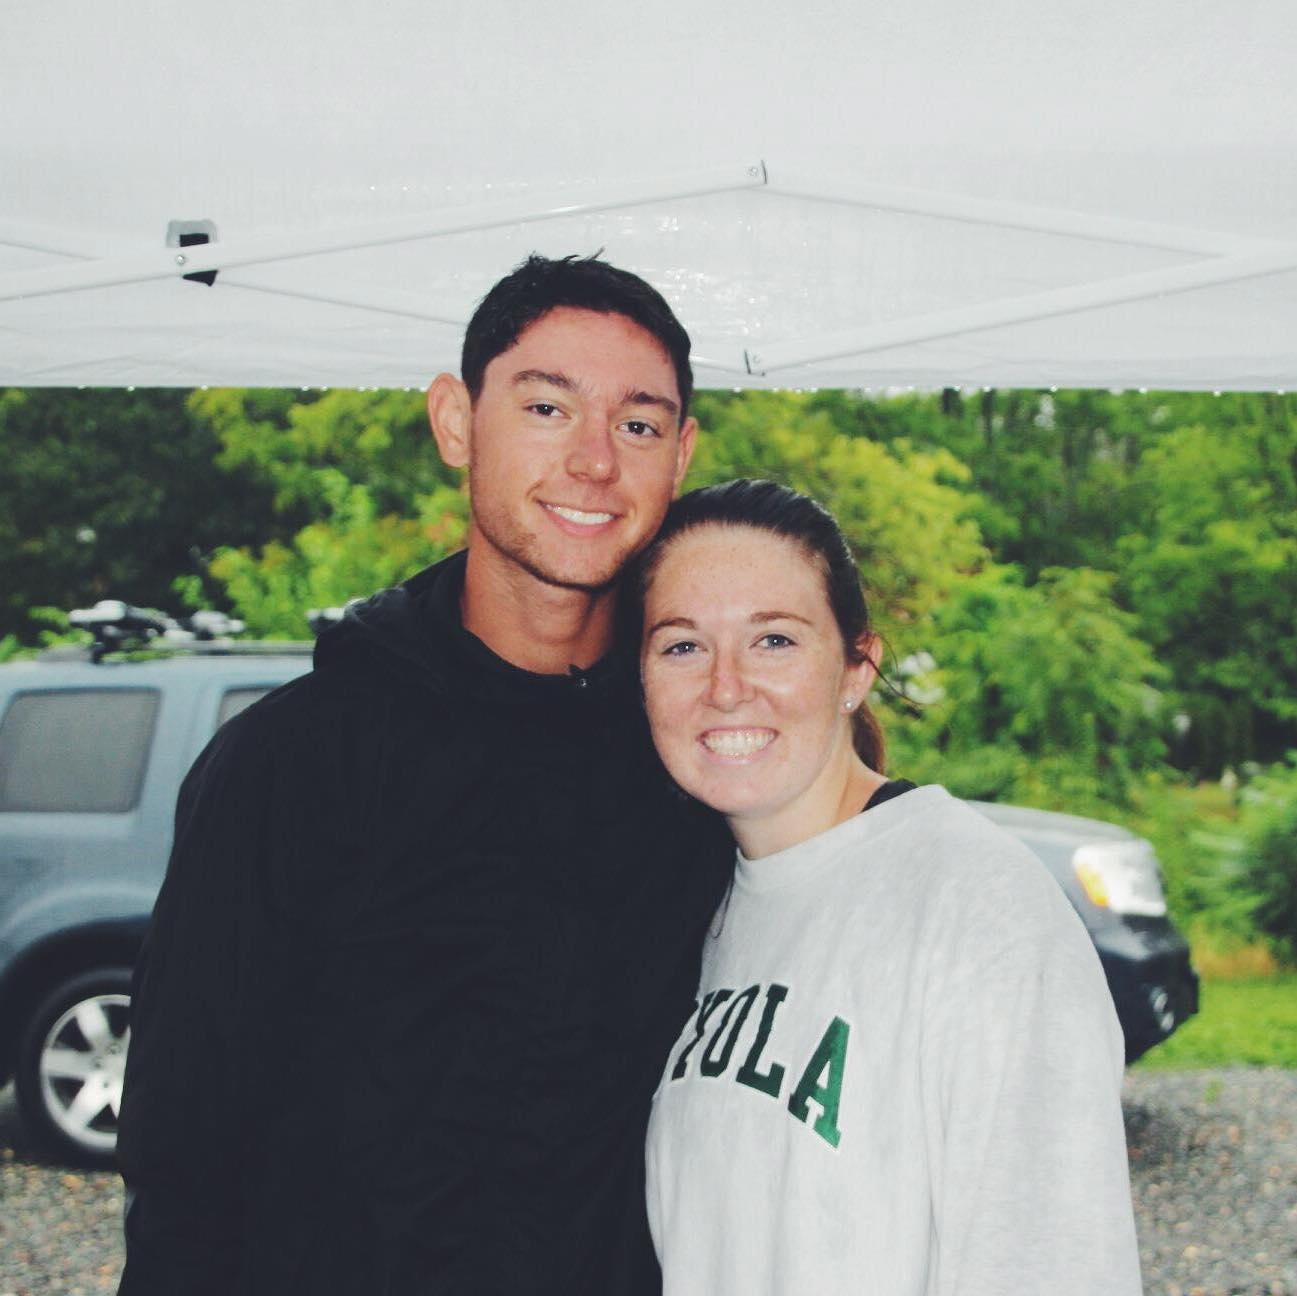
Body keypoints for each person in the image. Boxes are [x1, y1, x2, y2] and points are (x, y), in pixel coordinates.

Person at [116, 255, 733, 1295]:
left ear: (679, 455)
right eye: (547, 406)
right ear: (457, 422)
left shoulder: (700, 765)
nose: (593, 462)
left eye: (636, 424)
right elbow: (184, 1162)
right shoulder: (293, 764)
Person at [633, 479, 1143, 1295]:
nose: (725, 686)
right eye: (682, 646)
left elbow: (1050, 1265)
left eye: (773, 641)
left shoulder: (977, 908)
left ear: (854, 669)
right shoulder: (703, 906)